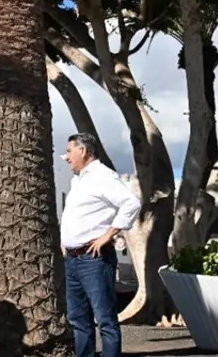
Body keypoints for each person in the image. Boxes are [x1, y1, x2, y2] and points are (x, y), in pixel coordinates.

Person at [61, 133, 141, 357]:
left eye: (69, 151)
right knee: (78, 320)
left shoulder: (103, 176)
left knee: (105, 319)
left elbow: (131, 203)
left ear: (83, 151)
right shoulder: (79, 180)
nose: (66, 157)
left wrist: (108, 235)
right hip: (73, 259)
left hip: (94, 259)